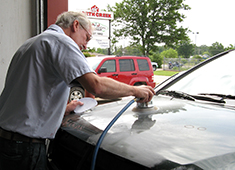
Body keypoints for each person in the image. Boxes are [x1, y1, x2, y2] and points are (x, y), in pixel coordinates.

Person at [0, 11, 155, 170]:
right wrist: (136, 91)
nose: (85, 45)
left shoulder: (31, 43)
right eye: (87, 37)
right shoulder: (61, 42)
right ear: (75, 25)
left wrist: (62, 109)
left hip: (7, 142)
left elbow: (29, 93)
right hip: (25, 149)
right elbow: (96, 86)